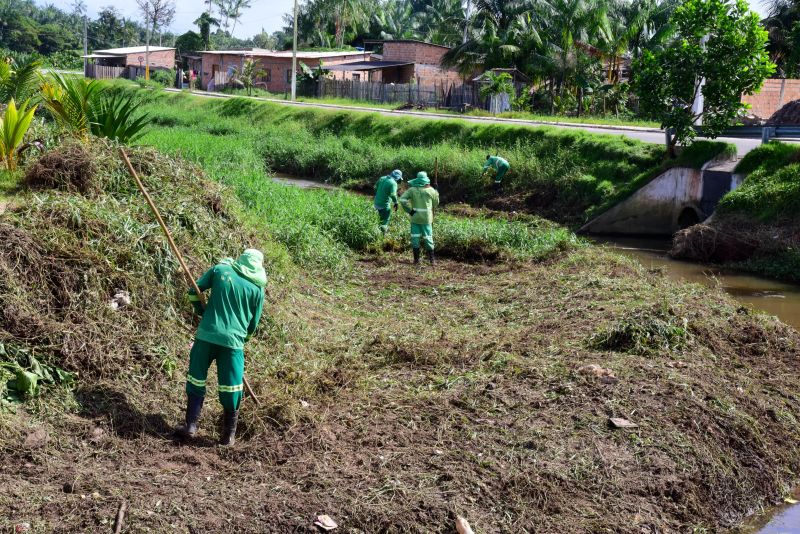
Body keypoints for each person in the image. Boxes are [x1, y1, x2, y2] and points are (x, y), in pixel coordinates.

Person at [176, 249, 266, 446]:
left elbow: (194, 292)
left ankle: (190, 425)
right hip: (233, 344)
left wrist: (204, 312)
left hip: (206, 335)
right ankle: (228, 436)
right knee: (231, 386)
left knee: (196, 378)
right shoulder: (258, 289)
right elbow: (253, 325)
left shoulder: (220, 270)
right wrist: (242, 339)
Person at [399, 171, 440, 265]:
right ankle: (432, 260)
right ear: (426, 180)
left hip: (415, 218)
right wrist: (436, 192)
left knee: (415, 238)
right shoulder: (431, 190)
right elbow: (436, 204)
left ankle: (416, 260)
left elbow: (402, 200)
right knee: (428, 237)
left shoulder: (412, 190)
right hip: (427, 219)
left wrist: (410, 211)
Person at [374, 169, 403, 235]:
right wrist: (396, 202)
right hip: (384, 205)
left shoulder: (382, 178)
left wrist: (378, 195)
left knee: (379, 219)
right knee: (385, 220)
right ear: (398, 177)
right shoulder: (393, 183)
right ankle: (383, 235)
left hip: (376, 203)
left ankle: (377, 231)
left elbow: (375, 187)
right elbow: (393, 194)